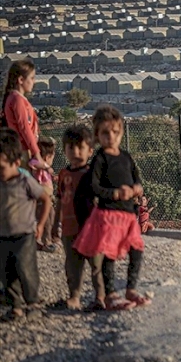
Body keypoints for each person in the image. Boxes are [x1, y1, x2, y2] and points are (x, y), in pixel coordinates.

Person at [73, 105, 150, 311]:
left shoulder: (126, 157)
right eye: (105, 133)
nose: (111, 137)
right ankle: (110, 294)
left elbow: (137, 179)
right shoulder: (100, 159)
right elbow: (94, 187)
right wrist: (115, 193)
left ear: (121, 132)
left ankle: (131, 288)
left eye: (115, 132)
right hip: (108, 215)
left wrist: (136, 189)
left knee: (137, 250)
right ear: (97, 135)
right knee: (108, 255)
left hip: (128, 215)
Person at [0, 128, 52, 322]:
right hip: (4, 235)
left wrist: (41, 224)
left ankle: (33, 302)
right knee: (6, 272)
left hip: (24, 235)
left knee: (25, 268)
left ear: (15, 163)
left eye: (2, 167)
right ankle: (16, 307)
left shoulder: (25, 181)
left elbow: (45, 199)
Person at [55, 124, 105, 311]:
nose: (75, 151)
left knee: (97, 265)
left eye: (80, 147)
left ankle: (100, 297)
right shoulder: (63, 174)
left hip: (91, 229)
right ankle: (74, 297)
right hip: (69, 229)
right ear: (64, 150)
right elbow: (59, 199)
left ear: (90, 150)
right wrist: (54, 225)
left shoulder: (92, 175)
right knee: (72, 266)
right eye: (70, 147)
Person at [1, 60, 48, 170]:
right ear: (21, 80)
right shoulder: (17, 99)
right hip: (22, 150)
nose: (34, 82)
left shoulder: (14, 98)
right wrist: (37, 154)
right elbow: (25, 129)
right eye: (31, 78)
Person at [32, 137, 57, 252]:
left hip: (49, 200)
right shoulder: (39, 165)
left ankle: (47, 239)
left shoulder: (47, 171)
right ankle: (46, 242)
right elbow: (33, 163)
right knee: (46, 220)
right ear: (47, 157)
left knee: (51, 217)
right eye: (52, 158)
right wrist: (46, 167)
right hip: (42, 200)